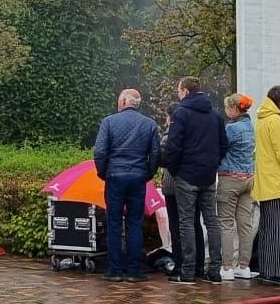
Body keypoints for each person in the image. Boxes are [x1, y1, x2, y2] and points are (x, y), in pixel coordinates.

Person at [160, 77, 228, 284]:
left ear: (186, 91)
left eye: (179, 90)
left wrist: (175, 169)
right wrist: (213, 164)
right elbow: (224, 144)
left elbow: (174, 145)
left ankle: (188, 272)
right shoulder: (215, 114)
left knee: (186, 222)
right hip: (208, 176)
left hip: (186, 175)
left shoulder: (181, 113)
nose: (178, 95)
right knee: (212, 221)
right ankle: (214, 271)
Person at [93, 87, 159, 283]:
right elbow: (155, 154)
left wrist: (103, 172)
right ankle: (134, 271)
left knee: (114, 223)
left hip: (114, 177)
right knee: (135, 223)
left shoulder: (109, 122)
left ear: (123, 102)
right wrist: (148, 173)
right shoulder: (149, 124)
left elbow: (100, 152)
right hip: (138, 178)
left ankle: (114, 270)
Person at [251, 87, 280, 287]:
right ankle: (275, 273)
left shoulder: (261, 119)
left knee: (266, 228)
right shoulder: (276, 121)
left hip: (262, 180)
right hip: (275, 180)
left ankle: (265, 270)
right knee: (276, 229)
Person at [215, 93, 258, 281]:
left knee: (226, 223)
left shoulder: (231, 128)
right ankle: (244, 266)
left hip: (230, 178)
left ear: (233, 109)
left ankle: (227, 267)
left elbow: (219, 148)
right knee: (245, 224)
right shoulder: (251, 127)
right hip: (249, 178)